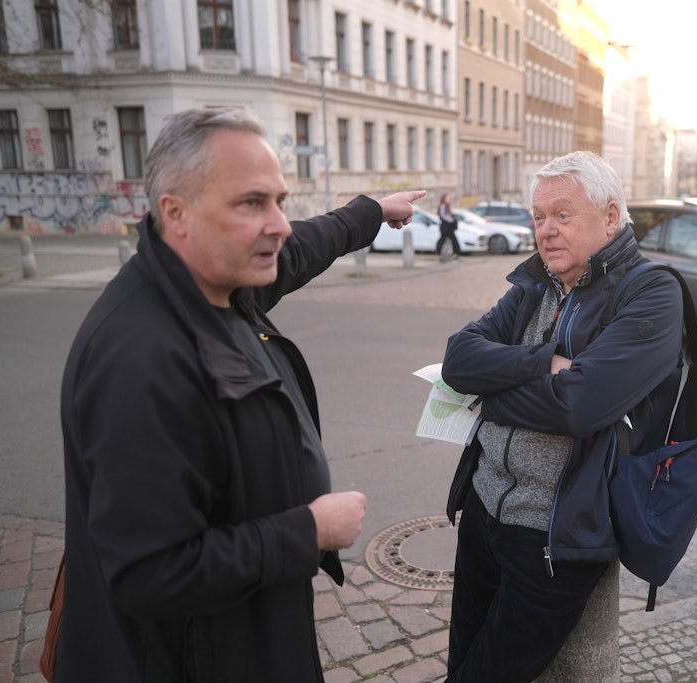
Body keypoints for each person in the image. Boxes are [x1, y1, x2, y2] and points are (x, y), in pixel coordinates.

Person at [57, 106, 424, 682]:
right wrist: (309, 531)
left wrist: (371, 213)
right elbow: (149, 573)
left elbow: (300, 246)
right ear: (175, 214)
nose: (277, 223)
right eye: (251, 203)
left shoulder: (216, 282)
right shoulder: (142, 359)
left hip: (244, 639)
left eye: (278, 200)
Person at [440, 151, 685, 682]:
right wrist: (540, 362)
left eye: (564, 215)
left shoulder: (651, 291)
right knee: (461, 661)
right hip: (484, 510)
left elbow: (579, 405)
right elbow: (458, 359)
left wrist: (492, 394)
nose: (546, 231)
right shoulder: (536, 286)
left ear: (612, 217)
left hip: (553, 536)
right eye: (538, 216)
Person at [437, 192, 460, 260]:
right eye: (447, 198)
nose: (449, 199)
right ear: (444, 199)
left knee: (451, 240)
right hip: (445, 226)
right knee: (444, 240)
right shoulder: (443, 205)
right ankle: (441, 254)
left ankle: (454, 254)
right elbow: (443, 216)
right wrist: (452, 220)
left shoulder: (447, 206)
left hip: (448, 226)